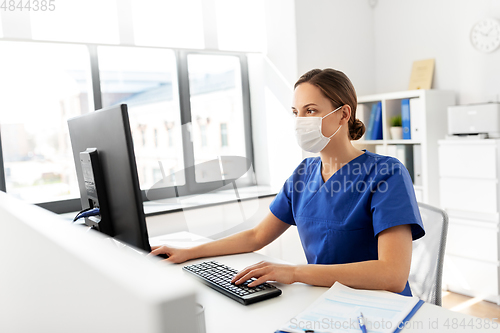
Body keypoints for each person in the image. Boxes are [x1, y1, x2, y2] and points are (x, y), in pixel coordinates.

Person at [150, 68, 425, 296]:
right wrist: (190, 252)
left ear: (343, 114)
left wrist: (293, 273)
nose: (300, 121)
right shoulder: (303, 174)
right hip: (325, 297)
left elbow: (392, 275)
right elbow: (256, 236)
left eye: (311, 110)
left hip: (381, 308)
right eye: (296, 112)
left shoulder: (387, 173)